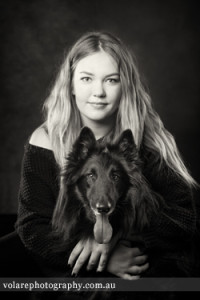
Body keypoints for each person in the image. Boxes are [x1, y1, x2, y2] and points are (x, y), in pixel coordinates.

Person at [1, 31, 199, 299]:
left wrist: (117, 236)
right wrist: (102, 259)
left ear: (125, 85)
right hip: (66, 261)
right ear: (70, 84)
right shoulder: (45, 139)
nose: (98, 92)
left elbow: (184, 220)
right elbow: (31, 225)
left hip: (139, 261)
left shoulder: (150, 141)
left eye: (111, 80)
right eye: (86, 79)